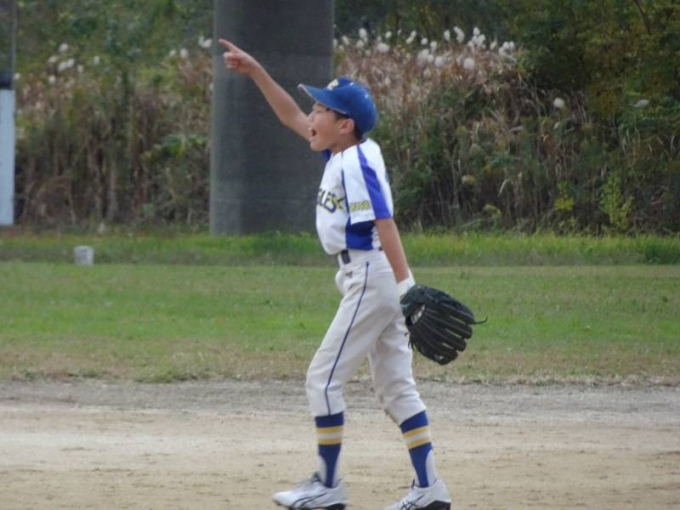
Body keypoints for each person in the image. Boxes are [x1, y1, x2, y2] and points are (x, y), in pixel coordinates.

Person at [219, 39, 452, 510]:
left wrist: (407, 289)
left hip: (371, 277)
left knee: (323, 380)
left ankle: (327, 486)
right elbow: (289, 115)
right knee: (395, 389)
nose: (311, 115)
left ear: (344, 125)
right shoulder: (343, 153)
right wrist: (257, 70)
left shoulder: (357, 161)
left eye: (321, 109)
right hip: (369, 276)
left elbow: (384, 221)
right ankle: (430, 489)